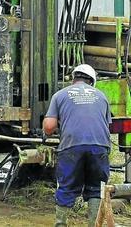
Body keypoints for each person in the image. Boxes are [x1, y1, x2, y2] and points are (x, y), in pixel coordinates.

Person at [43, 64, 112, 227]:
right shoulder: (102, 96)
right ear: (92, 82)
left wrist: (48, 132)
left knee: (66, 185)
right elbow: (105, 125)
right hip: (99, 146)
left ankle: (61, 224)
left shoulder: (59, 95)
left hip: (71, 146)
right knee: (97, 187)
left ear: (73, 79)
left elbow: (48, 127)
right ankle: (94, 224)